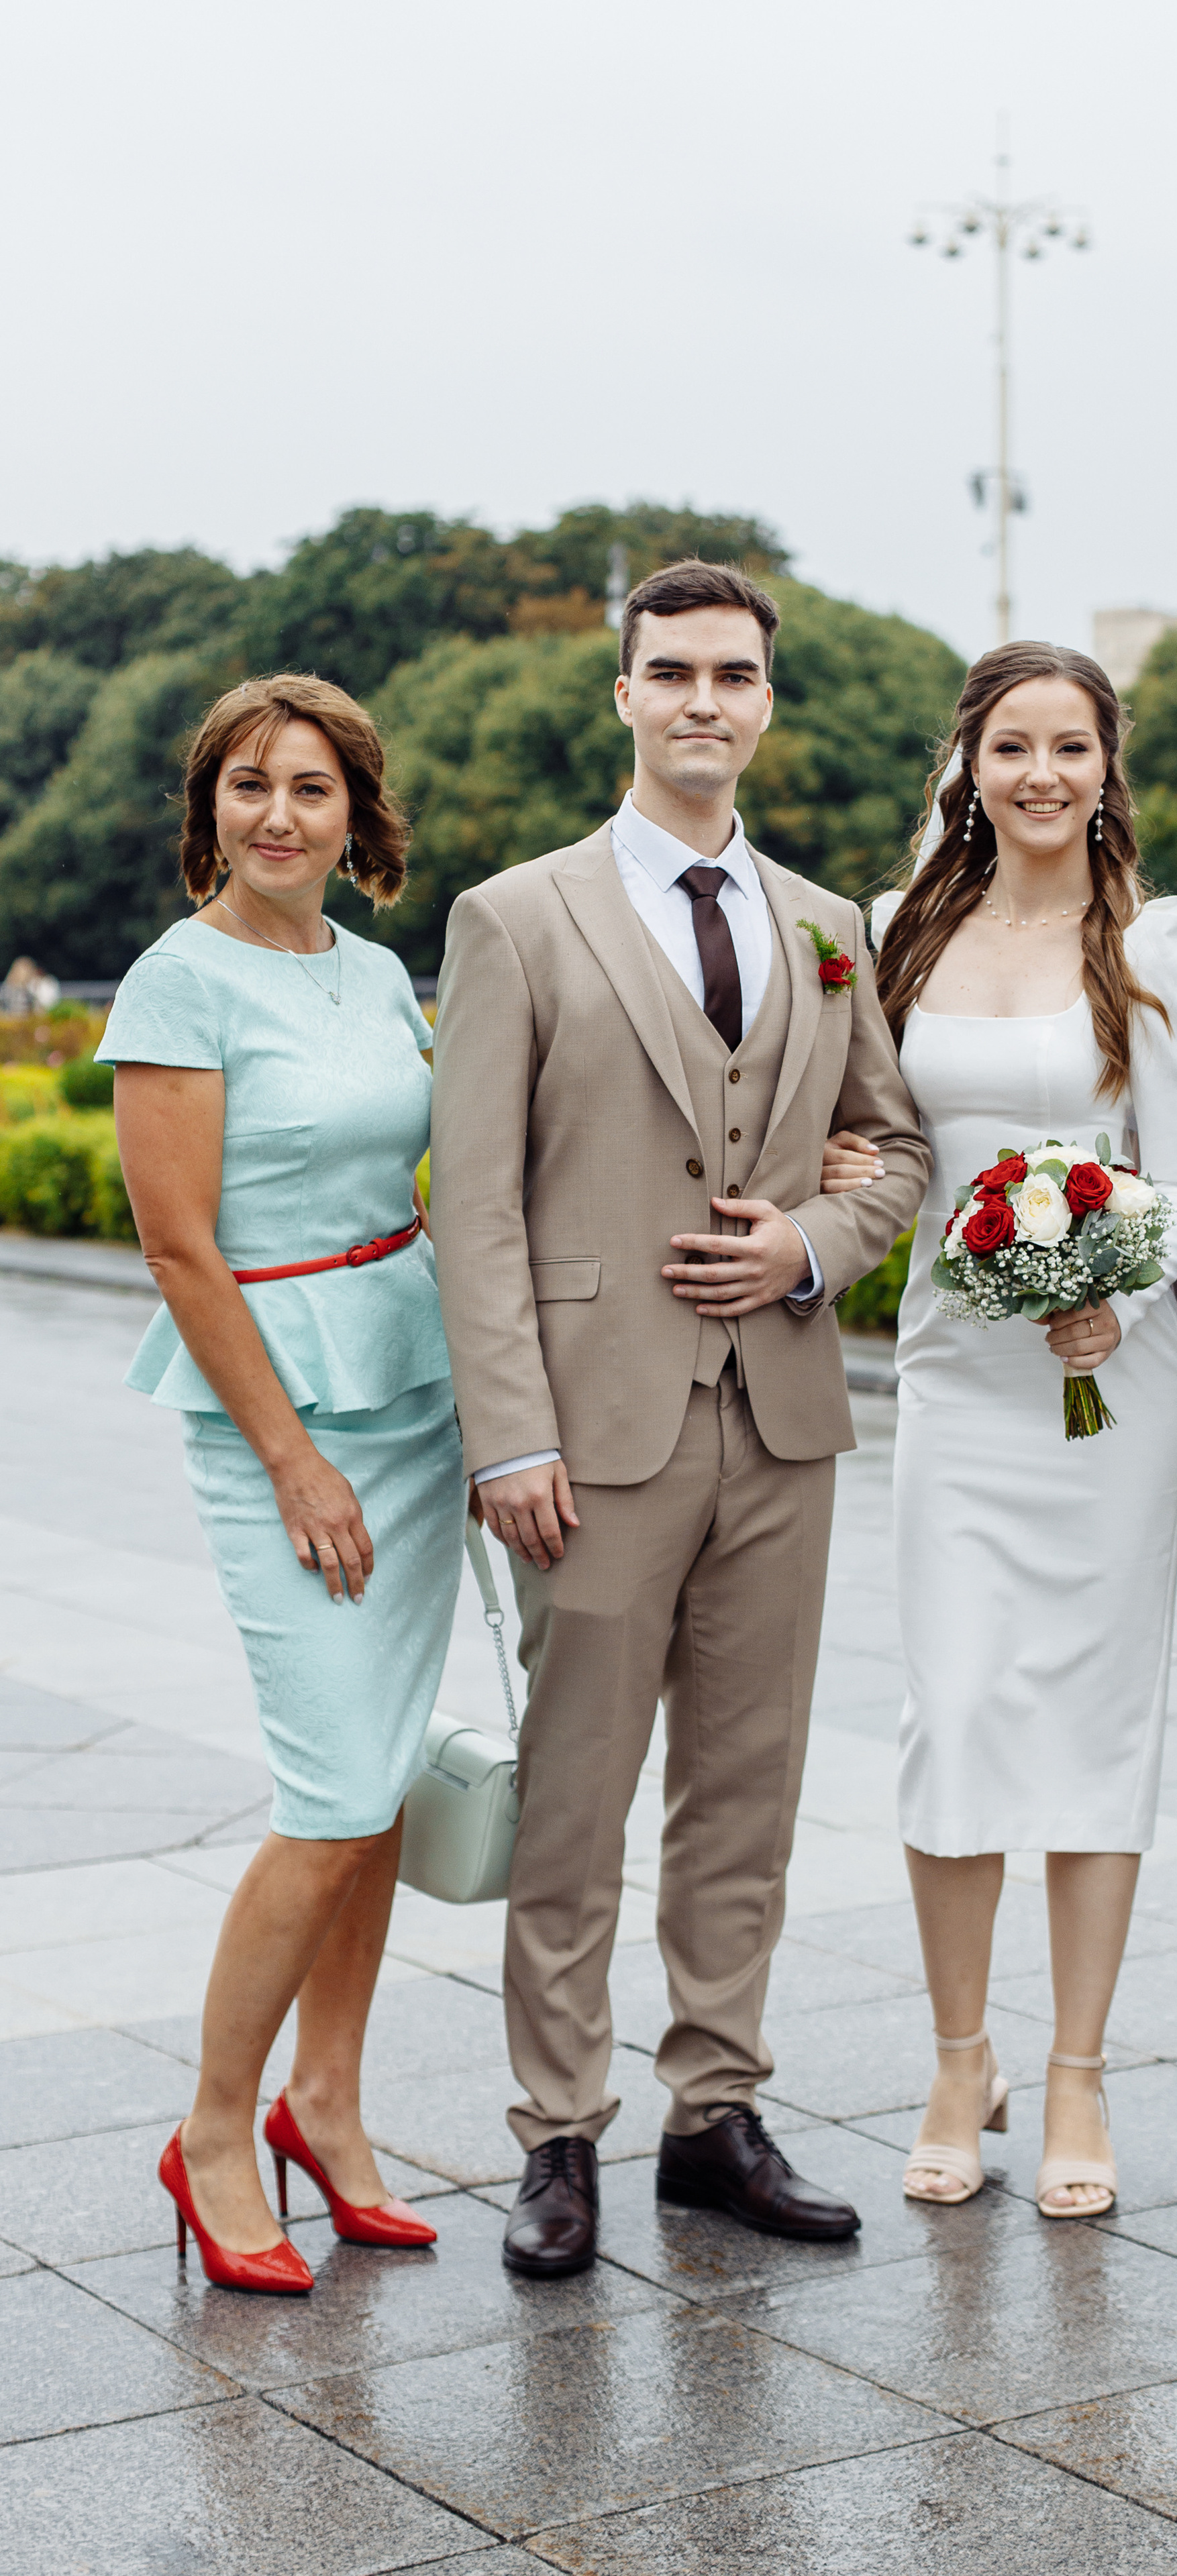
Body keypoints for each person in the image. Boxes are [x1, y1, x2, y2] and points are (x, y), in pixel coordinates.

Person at [430, 559, 931, 2277]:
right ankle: (555, 2131)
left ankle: (712, 2113)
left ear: (764, 702)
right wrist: (508, 1432)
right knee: (574, 1797)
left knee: (746, 1789)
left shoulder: (826, 927)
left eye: (732, 674)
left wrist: (814, 1242)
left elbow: (899, 1152)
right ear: (623, 696)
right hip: (589, 1430)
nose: (704, 700)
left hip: (779, 1425)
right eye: (672, 673)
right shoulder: (516, 917)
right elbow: (475, 1202)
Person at [825, 643, 1177, 2218]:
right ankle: (954, 2054)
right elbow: (865, 1132)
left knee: (1096, 1722)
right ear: (968, 767)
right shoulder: (889, 934)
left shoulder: (1159, 953)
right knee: (957, 1708)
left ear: (1107, 768)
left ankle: (1076, 2074)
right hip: (955, 1374)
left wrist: (1112, 1287)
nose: (1040, 774)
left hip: (1108, 1381)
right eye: (1010, 748)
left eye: (1069, 747)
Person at [101, 675, 465, 2294]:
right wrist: (292, 1457)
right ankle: (211, 2127)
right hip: (283, 1414)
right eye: (248, 786)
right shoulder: (179, 986)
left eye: (309, 788)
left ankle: (330, 2100)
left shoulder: (379, 975)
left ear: (354, 813)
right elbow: (181, 1248)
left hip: (414, 1387)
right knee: (328, 1799)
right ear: (212, 810)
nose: (276, 815)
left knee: (380, 1789)